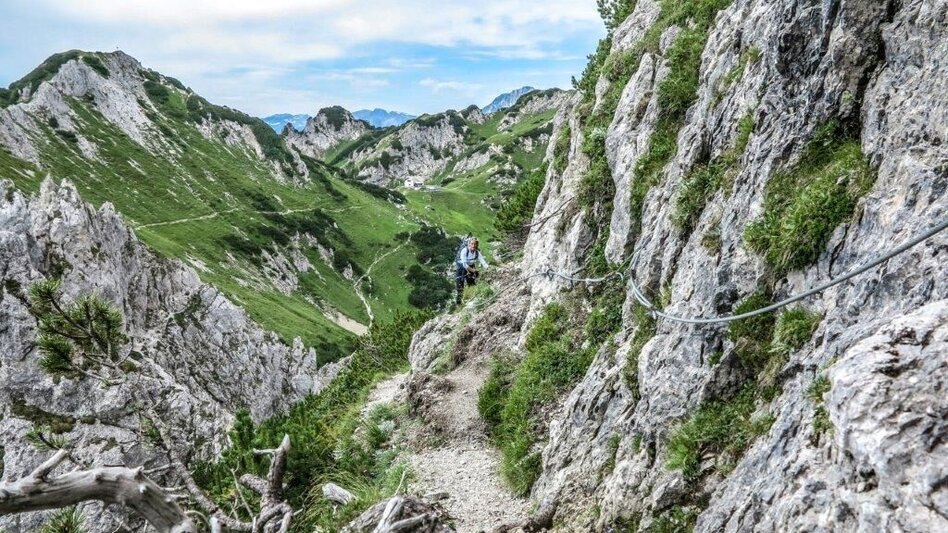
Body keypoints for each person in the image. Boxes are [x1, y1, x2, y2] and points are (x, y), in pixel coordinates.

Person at [455, 237, 488, 304]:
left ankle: (472, 299)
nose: (473, 245)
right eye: (472, 244)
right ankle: (459, 305)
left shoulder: (477, 253)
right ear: (469, 244)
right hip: (461, 269)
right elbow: (464, 265)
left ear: (477, 245)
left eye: (475, 244)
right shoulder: (464, 251)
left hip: (471, 267)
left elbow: (483, 261)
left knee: (472, 284)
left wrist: (488, 268)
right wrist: (474, 271)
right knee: (460, 287)